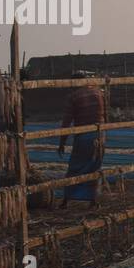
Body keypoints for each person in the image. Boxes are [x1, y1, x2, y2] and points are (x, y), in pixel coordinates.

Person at [58, 72, 105, 208]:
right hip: (100, 134)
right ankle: (93, 200)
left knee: (75, 167)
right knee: (95, 166)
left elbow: (67, 121)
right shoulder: (98, 93)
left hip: (84, 136)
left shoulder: (73, 96)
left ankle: (66, 200)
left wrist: (62, 142)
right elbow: (105, 116)